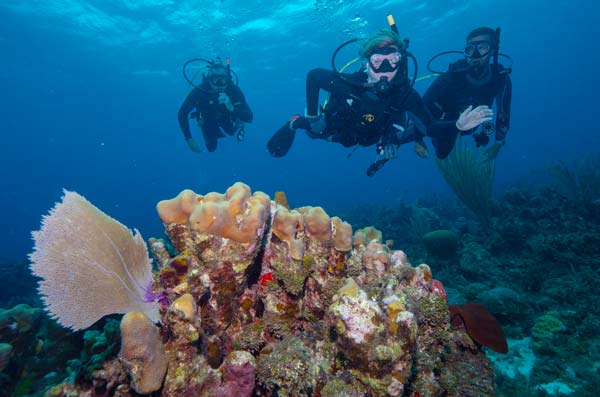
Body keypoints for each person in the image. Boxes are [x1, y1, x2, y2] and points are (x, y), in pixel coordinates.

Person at [267, 28, 493, 175]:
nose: (385, 69)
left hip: (374, 134)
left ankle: (387, 143)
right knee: (315, 132)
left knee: (399, 134)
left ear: (400, 62)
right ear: (367, 63)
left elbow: (430, 127)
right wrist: (314, 115)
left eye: (392, 60)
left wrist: (457, 126)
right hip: (336, 128)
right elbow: (314, 75)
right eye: (377, 61)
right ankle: (295, 122)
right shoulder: (348, 84)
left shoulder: (405, 95)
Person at [415, 27, 512, 161]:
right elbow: (421, 107)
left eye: (483, 47)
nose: (475, 54)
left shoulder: (500, 78)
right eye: (470, 49)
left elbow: (503, 113)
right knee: (442, 153)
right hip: (445, 120)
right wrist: (418, 139)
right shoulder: (451, 76)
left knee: (482, 132)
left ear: (493, 51)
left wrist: (498, 143)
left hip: (473, 121)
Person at [178, 60, 253, 153]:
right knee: (211, 148)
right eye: (215, 79)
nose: (219, 83)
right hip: (207, 118)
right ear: (209, 79)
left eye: (223, 79)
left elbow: (250, 118)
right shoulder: (199, 91)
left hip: (226, 115)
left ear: (228, 78)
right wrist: (189, 139)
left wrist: (232, 108)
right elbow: (182, 113)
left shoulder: (234, 90)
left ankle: (237, 121)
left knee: (231, 132)